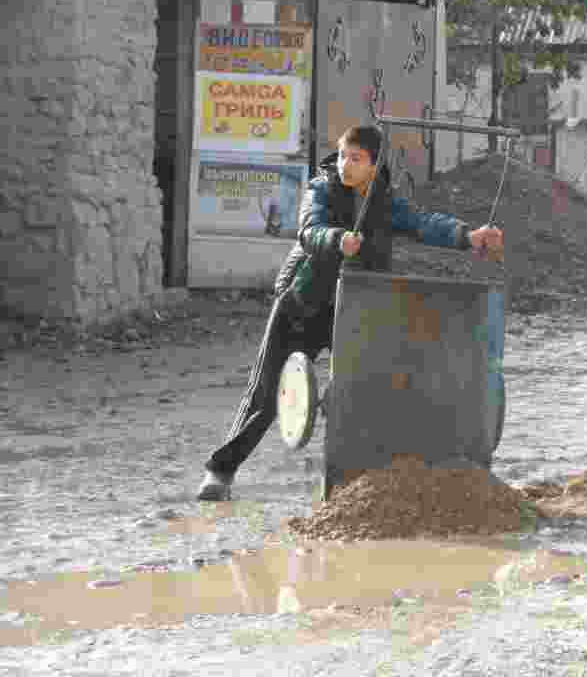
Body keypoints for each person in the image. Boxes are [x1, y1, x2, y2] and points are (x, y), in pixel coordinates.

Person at [196, 125, 504, 501]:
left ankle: (360, 485)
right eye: (343, 156)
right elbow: (309, 230)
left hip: (355, 309)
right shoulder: (321, 188)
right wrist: (338, 239)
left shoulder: (385, 201)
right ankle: (220, 472)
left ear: (373, 166)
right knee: (265, 396)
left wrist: (467, 237)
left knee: (364, 393)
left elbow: (424, 224)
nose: (345, 165)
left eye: (355, 159)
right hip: (302, 304)